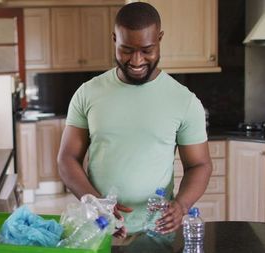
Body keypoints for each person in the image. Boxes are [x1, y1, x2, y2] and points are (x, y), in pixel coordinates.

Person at [57, 2, 212, 239]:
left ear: (160, 38)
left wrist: (181, 205)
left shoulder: (184, 100)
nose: (137, 61)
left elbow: (199, 165)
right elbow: (67, 158)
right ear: (114, 39)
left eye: (147, 50)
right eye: (126, 49)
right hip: (99, 227)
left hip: (158, 231)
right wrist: (98, 202)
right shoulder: (87, 93)